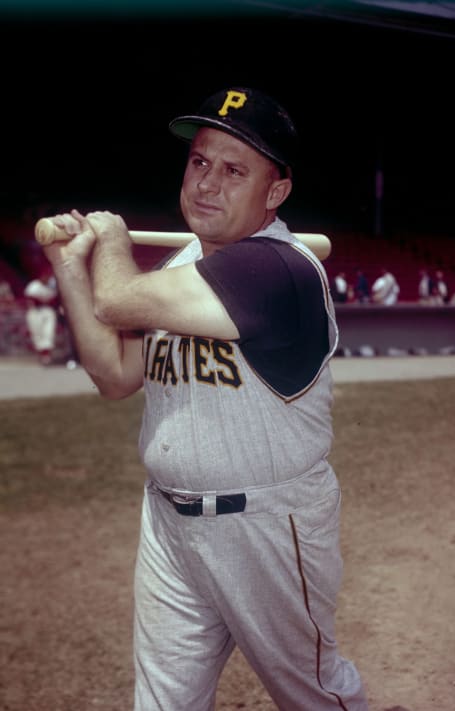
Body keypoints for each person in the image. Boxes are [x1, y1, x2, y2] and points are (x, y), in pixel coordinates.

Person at [40, 86, 368, 711]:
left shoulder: (278, 268)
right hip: (168, 520)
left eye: (235, 170)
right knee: (163, 701)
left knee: (312, 695)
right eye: (199, 162)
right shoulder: (180, 267)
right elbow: (113, 375)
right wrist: (67, 265)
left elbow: (116, 299)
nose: (207, 183)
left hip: (266, 523)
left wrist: (109, 242)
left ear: (275, 194)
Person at [23, 267, 58, 365]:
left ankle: (47, 356)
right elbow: (30, 300)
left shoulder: (52, 286)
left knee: (48, 332)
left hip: (48, 311)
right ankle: (42, 356)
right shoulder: (34, 286)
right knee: (37, 334)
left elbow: (55, 299)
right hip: (35, 311)